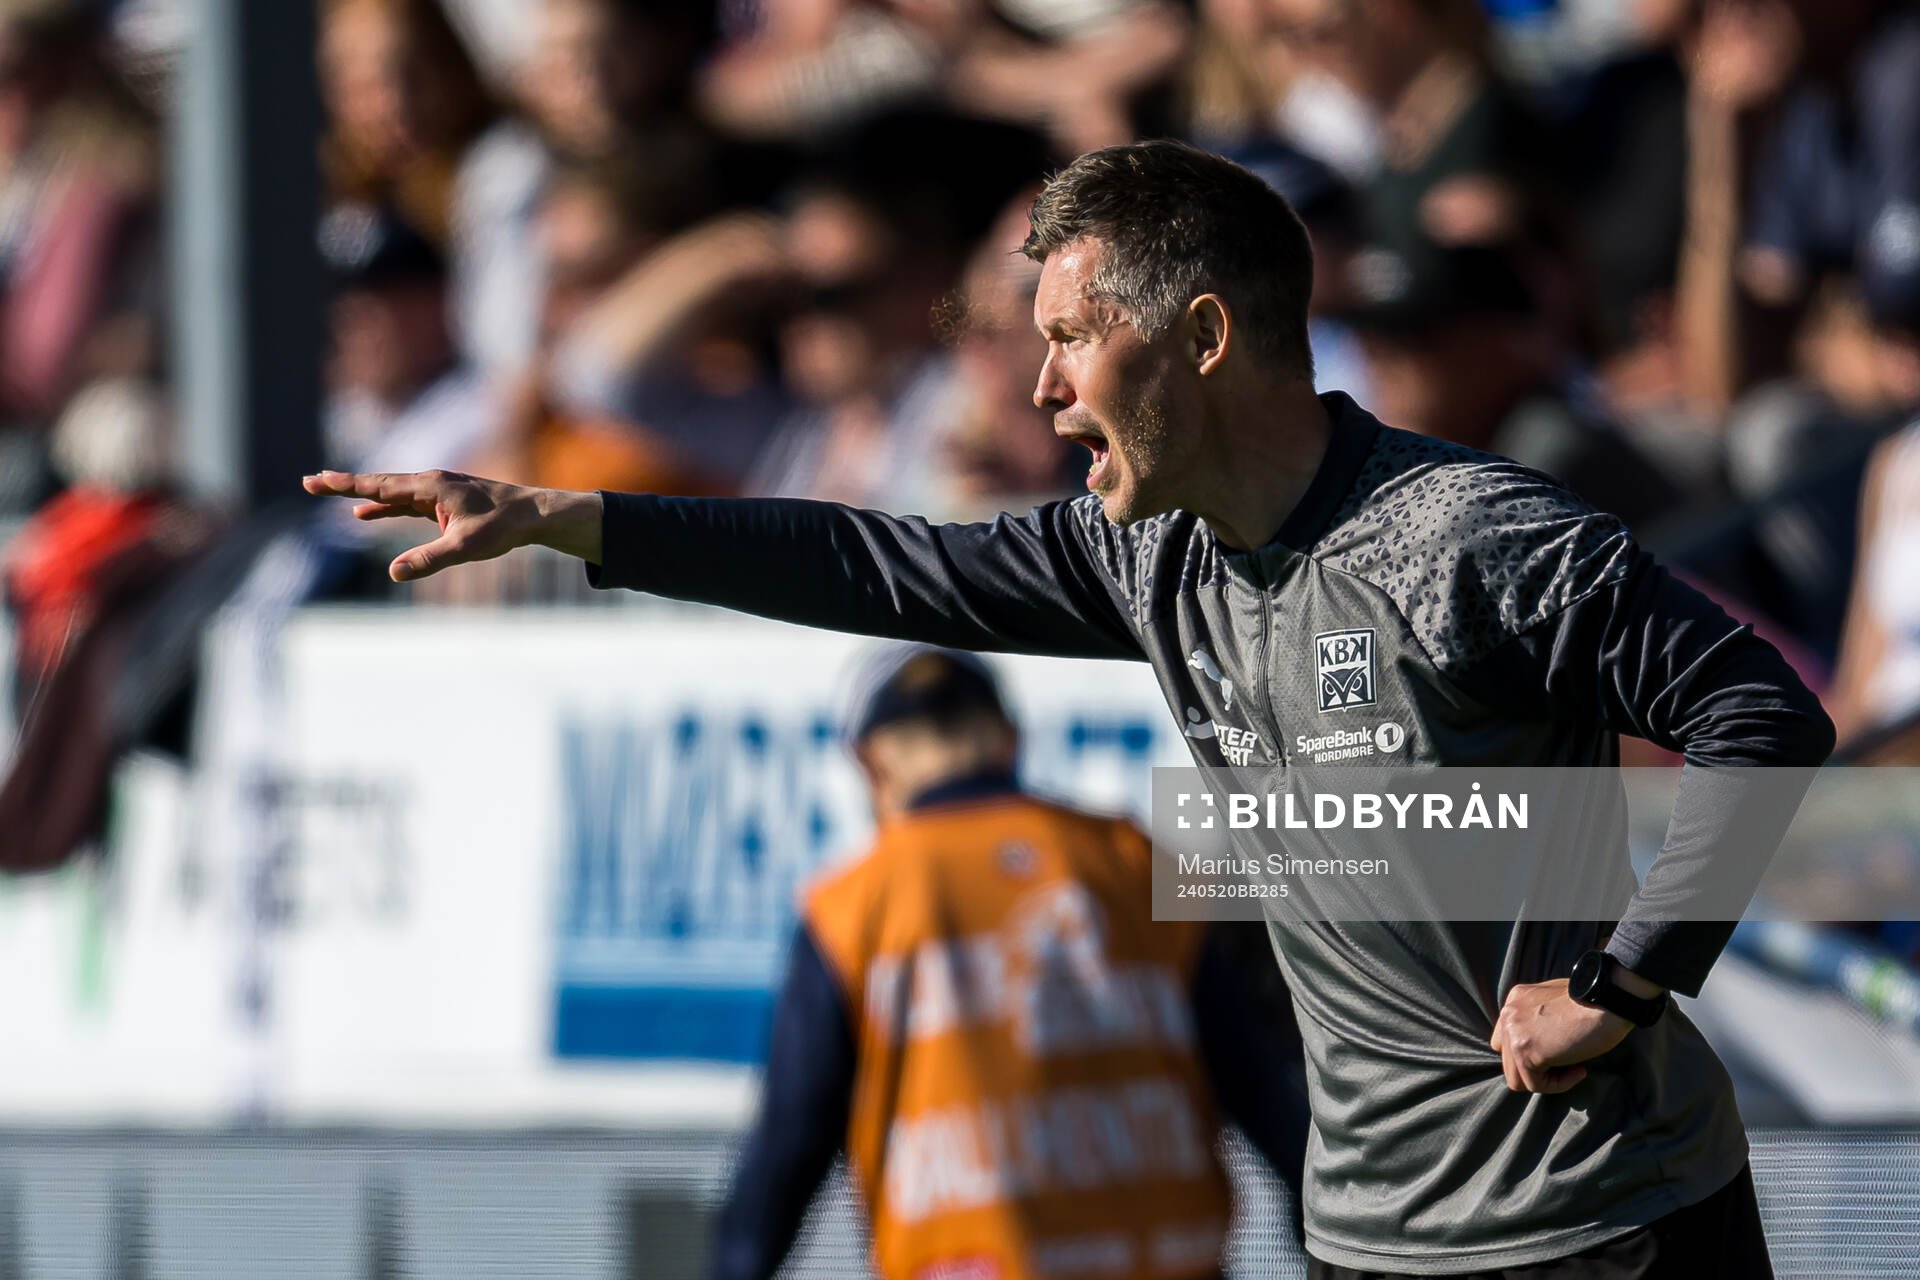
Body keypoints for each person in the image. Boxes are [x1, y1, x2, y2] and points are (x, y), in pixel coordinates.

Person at [306, 140, 1835, 1277]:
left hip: (1602, 1220)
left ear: (1204, 339)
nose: (1037, 389)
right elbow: (875, 559)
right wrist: (574, 517)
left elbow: (1763, 713)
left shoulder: (1469, 538)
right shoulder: (1145, 556)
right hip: (1375, 1238)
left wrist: (1625, 986)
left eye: (1066, 338)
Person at [708, 646, 1309, 1280]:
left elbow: (783, 1160)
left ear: (872, 764)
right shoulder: (1136, 862)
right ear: (1009, 739)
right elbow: (1268, 1095)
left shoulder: (852, 907)